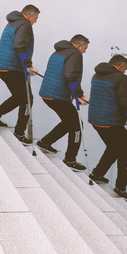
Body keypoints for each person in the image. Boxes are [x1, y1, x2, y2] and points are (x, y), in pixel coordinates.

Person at [0, 5, 40, 145]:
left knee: (19, 97)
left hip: (2, 66)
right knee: (27, 100)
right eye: (36, 18)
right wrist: (29, 65)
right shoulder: (25, 25)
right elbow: (20, 45)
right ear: (29, 16)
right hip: (12, 67)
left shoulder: (13, 22)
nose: (36, 21)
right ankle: (19, 133)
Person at [36, 34, 90, 172]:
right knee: (77, 125)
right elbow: (70, 74)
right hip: (57, 95)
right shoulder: (75, 54)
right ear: (78, 45)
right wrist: (79, 95)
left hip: (48, 93)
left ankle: (45, 142)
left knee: (69, 121)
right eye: (85, 48)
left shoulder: (58, 51)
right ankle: (70, 160)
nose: (85, 51)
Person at [87, 54, 127, 200]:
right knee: (126, 155)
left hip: (96, 120)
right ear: (120, 66)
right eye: (125, 68)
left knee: (113, 148)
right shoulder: (121, 78)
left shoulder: (97, 74)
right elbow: (126, 103)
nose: (125, 71)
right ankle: (121, 188)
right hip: (111, 122)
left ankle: (97, 174)